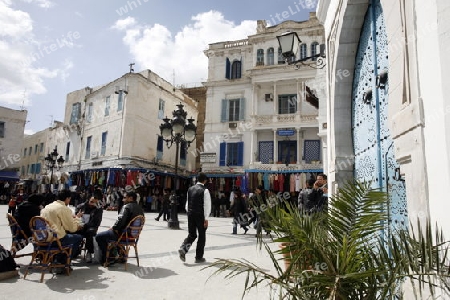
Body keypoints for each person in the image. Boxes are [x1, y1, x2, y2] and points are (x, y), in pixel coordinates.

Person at [95, 191, 144, 266]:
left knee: (99, 236)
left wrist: (114, 228)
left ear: (130, 198)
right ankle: (122, 256)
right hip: (133, 236)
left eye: (125, 198)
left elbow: (121, 220)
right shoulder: (140, 208)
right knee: (113, 235)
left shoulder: (127, 206)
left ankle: (110, 258)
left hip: (123, 235)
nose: (123, 200)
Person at [40, 190, 84, 262]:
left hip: (44, 237)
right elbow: (71, 228)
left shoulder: (47, 207)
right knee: (78, 238)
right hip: (56, 239)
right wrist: (78, 222)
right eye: (69, 199)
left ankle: (56, 258)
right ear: (67, 198)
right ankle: (63, 261)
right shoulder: (63, 209)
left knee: (66, 235)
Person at [178, 172, 211, 263]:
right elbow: (207, 205)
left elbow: (187, 204)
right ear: (205, 180)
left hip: (190, 214)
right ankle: (199, 257)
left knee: (192, 234)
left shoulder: (190, 189)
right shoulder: (205, 190)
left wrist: (189, 212)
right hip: (200, 215)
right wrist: (206, 218)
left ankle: (183, 249)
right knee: (202, 236)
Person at [75, 189, 103, 263]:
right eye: (91, 201)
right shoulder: (81, 206)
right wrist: (77, 216)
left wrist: (85, 225)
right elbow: (74, 218)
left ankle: (89, 252)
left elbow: (96, 222)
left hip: (90, 227)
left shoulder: (98, 209)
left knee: (90, 232)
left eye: (94, 202)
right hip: (79, 226)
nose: (92, 203)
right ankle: (74, 250)